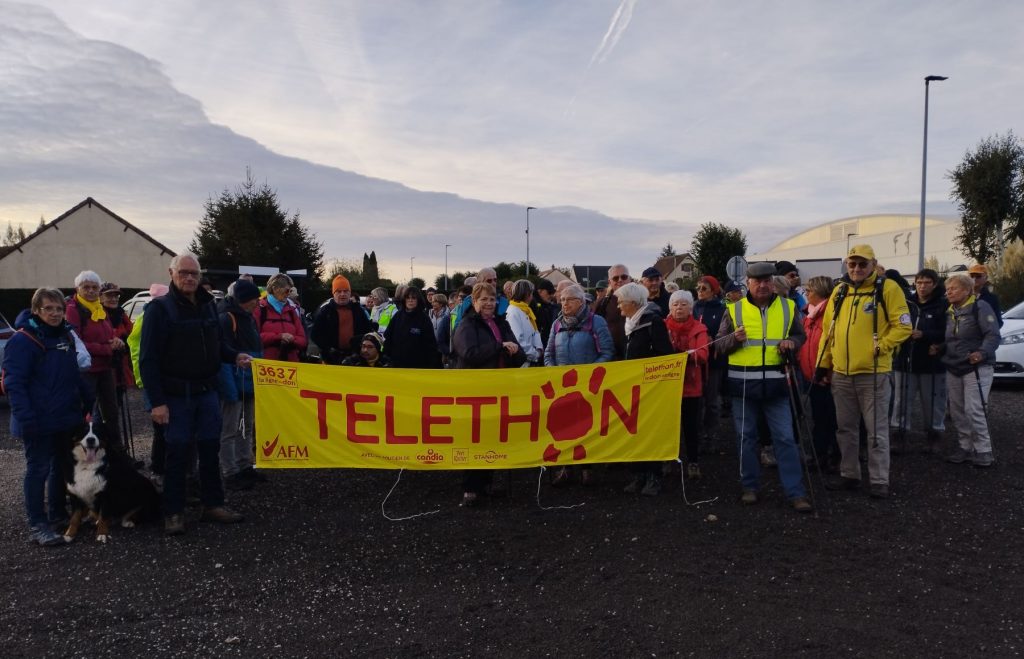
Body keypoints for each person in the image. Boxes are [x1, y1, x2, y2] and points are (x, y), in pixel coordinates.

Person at [140, 253, 251, 535]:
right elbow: (148, 360)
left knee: (210, 450)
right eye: (183, 273)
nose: (189, 278)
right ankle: (174, 512)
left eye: (194, 273)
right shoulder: (159, 310)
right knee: (177, 453)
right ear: (171, 273)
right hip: (176, 396)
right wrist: (158, 402)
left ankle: (213, 504)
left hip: (207, 393)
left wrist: (234, 355)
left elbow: (217, 344)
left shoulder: (209, 307)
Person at [815, 244, 912, 500]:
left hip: (874, 373)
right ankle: (850, 475)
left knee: (876, 430)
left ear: (873, 264)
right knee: (844, 429)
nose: (857, 269)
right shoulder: (839, 291)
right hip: (842, 374)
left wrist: (883, 345)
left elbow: (903, 326)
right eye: (852, 264)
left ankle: (879, 480)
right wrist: (822, 364)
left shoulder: (888, 288)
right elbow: (828, 332)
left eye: (862, 264)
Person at [716, 262, 812, 512]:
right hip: (743, 385)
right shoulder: (734, 309)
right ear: (747, 283)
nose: (762, 285)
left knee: (785, 438)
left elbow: (801, 336)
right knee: (746, 439)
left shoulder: (789, 307)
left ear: (773, 282)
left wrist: (792, 342)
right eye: (757, 281)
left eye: (767, 280)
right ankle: (749, 486)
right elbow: (718, 345)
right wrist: (733, 340)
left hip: (777, 384)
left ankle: (796, 492)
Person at [3, 288, 92, 546]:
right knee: (38, 469)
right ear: (36, 311)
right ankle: (37, 524)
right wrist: (26, 418)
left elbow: (73, 373)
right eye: (48, 309)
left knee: (59, 468)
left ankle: (57, 514)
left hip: (64, 418)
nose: (54, 313)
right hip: (37, 420)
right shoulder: (23, 341)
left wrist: (88, 399)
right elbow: (14, 383)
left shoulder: (66, 335)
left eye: (58, 309)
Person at [451, 283, 525, 506]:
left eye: (492, 299)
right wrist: (500, 346)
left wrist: (513, 351)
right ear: (474, 302)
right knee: (473, 438)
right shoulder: (466, 325)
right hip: (474, 391)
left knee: (493, 436)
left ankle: (486, 485)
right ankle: (470, 489)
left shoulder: (501, 323)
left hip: (500, 389)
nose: (489, 304)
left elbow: (518, 352)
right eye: (483, 299)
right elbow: (469, 353)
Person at [544, 283, 615, 486]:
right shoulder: (557, 324)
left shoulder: (596, 322)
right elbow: (549, 353)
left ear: (581, 302)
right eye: (562, 300)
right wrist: (553, 371)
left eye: (569, 300)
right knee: (563, 428)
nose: (564, 304)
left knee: (587, 427)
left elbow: (607, 352)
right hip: (563, 388)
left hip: (587, 386)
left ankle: (587, 469)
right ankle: (566, 467)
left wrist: (589, 373)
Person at [935, 273, 1001, 467]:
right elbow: (953, 339)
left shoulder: (980, 307)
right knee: (956, 411)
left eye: (953, 288)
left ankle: (984, 450)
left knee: (974, 409)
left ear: (966, 290)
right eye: (947, 289)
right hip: (954, 366)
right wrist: (940, 347)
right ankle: (965, 447)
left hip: (977, 366)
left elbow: (993, 335)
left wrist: (982, 353)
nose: (948, 292)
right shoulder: (950, 311)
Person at [616, 282, 674, 496]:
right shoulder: (629, 324)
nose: (619, 305)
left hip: (650, 388)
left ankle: (653, 477)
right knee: (634, 433)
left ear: (632, 302)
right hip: (632, 388)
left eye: (621, 301)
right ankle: (638, 475)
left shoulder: (653, 322)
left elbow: (665, 354)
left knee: (650, 433)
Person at [891, 268, 947, 454]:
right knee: (901, 400)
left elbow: (948, 332)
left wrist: (925, 335)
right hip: (906, 359)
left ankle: (934, 435)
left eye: (927, 283)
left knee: (932, 401)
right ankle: (899, 434)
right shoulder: (906, 304)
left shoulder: (942, 305)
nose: (922, 286)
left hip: (931, 363)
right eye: (919, 282)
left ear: (935, 284)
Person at [65, 270, 123, 450]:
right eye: (86, 287)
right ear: (77, 288)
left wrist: (115, 339)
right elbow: (76, 342)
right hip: (86, 371)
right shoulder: (73, 310)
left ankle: (115, 452)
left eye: (94, 287)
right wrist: (107, 348)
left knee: (111, 413)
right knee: (84, 413)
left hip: (104, 368)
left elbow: (107, 332)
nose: (90, 291)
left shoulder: (99, 308)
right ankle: (78, 451)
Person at [218, 279, 264, 492]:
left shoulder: (249, 318)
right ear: (244, 299)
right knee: (230, 429)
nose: (258, 302)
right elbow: (223, 355)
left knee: (247, 426)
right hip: (234, 383)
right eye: (255, 298)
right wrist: (229, 389)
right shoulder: (227, 319)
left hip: (248, 381)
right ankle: (230, 471)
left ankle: (246, 465)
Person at [664, 290, 709, 479]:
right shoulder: (663, 327)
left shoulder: (699, 329)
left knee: (691, 427)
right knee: (667, 426)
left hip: (691, 386)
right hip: (667, 386)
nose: (679, 308)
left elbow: (704, 355)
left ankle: (693, 462)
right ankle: (666, 459)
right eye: (675, 304)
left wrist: (687, 355)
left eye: (683, 304)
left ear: (690, 307)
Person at [798, 276, 839, 472]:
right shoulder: (810, 314)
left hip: (825, 376)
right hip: (812, 375)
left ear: (820, 292)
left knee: (830, 419)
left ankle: (832, 457)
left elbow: (833, 344)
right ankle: (820, 454)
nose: (806, 293)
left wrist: (828, 370)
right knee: (819, 417)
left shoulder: (828, 314)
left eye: (810, 290)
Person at [693, 275, 727, 448]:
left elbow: (725, 333)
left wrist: (710, 339)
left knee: (712, 401)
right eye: (697, 288)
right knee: (697, 400)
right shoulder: (694, 308)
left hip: (714, 361)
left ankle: (711, 434)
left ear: (713, 291)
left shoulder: (722, 310)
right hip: (696, 363)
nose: (699, 291)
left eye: (703, 288)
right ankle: (697, 434)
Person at [312, 275, 372, 364]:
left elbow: (367, 331)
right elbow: (315, 335)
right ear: (333, 293)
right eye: (339, 291)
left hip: (355, 358)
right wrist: (328, 349)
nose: (342, 294)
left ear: (350, 293)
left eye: (345, 291)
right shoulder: (326, 311)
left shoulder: (358, 310)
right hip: (331, 359)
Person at [382, 286, 441, 369]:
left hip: (418, 366)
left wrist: (430, 364)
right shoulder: (398, 315)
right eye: (408, 298)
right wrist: (386, 356)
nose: (410, 300)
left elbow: (430, 344)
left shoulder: (424, 318)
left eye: (413, 298)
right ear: (404, 299)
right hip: (396, 364)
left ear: (418, 300)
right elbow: (388, 336)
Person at [256, 273, 307, 362]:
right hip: (266, 367)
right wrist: (278, 337)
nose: (288, 295)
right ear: (275, 289)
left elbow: (303, 340)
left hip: (291, 367)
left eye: (291, 291)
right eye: (287, 291)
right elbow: (253, 338)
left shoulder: (292, 311)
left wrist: (291, 339)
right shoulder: (259, 309)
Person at [593, 264, 632, 358]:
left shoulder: (641, 301)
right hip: (611, 358)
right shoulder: (602, 304)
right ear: (609, 282)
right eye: (615, 278)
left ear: (629, 279)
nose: (620, 280)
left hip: (636, 357)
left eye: (624, 277)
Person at [505, 280, 544, 366]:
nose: (532, 297)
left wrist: (539, 348)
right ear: (527, 294)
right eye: (531, 294)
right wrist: (535, 354)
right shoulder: (513, 312)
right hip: (523, 363)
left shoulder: (525, 310)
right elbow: (518, 340)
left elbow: (534, 332)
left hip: (530, 361)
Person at [530, 279, 558, 349]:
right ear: (540, 291)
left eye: (552, 292)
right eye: (549, 292)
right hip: (537, 347)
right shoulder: (532, 305)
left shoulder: (547, 305)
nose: (552, 295)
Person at [428, 293, 452, 366]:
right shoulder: (429, 313)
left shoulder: (449, 314)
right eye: (432, 301)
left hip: (444, 348)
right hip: (432, 347)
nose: (432, 303)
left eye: (435, 301)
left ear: (441, 303)